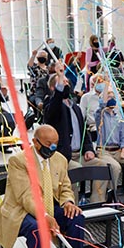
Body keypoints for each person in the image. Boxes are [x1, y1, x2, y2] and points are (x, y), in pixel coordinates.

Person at [0, 125, 88, 248]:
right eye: (48, 144)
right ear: (35, 143)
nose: (52, 148)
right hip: (20, 210)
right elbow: (26, 196)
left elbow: (65, 187)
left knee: (76, 216)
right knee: (37, 229)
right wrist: (44, 216)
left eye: (56, 144)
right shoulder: (18, 161)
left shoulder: (59, 159)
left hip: (49, 206)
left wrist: (68, 201)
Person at [42, 63, 105, 202]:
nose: (66, 84)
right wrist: (59, 76)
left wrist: (89, 149)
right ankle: (72, 208)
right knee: (76, 171)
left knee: (102, 167)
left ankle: (97, 203)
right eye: (62, 82)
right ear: (54, 87)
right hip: (64, 156)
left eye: (67, 82)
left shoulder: (75, 107)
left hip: (79, 153)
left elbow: (83, 132)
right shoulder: (52, 106)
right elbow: (55, 103)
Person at [94, 97, 124, 199]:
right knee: (116, 167)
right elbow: (101, 107)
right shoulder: (100, 116)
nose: (110, 97)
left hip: (117, 150)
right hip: (104, 150)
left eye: (112, 94)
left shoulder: (119, 117)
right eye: (108, 95)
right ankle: (111, 194)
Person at [27, 47, 51, 112]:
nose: (42, 57)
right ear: (37, 58)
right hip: (35, 93)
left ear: (46, 58)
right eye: (41, 56)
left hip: (47, 93)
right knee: (38, 100)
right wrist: (33, 55)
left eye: (44, 56)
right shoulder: (35, 68)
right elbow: (29, 66)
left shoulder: (49, 69)